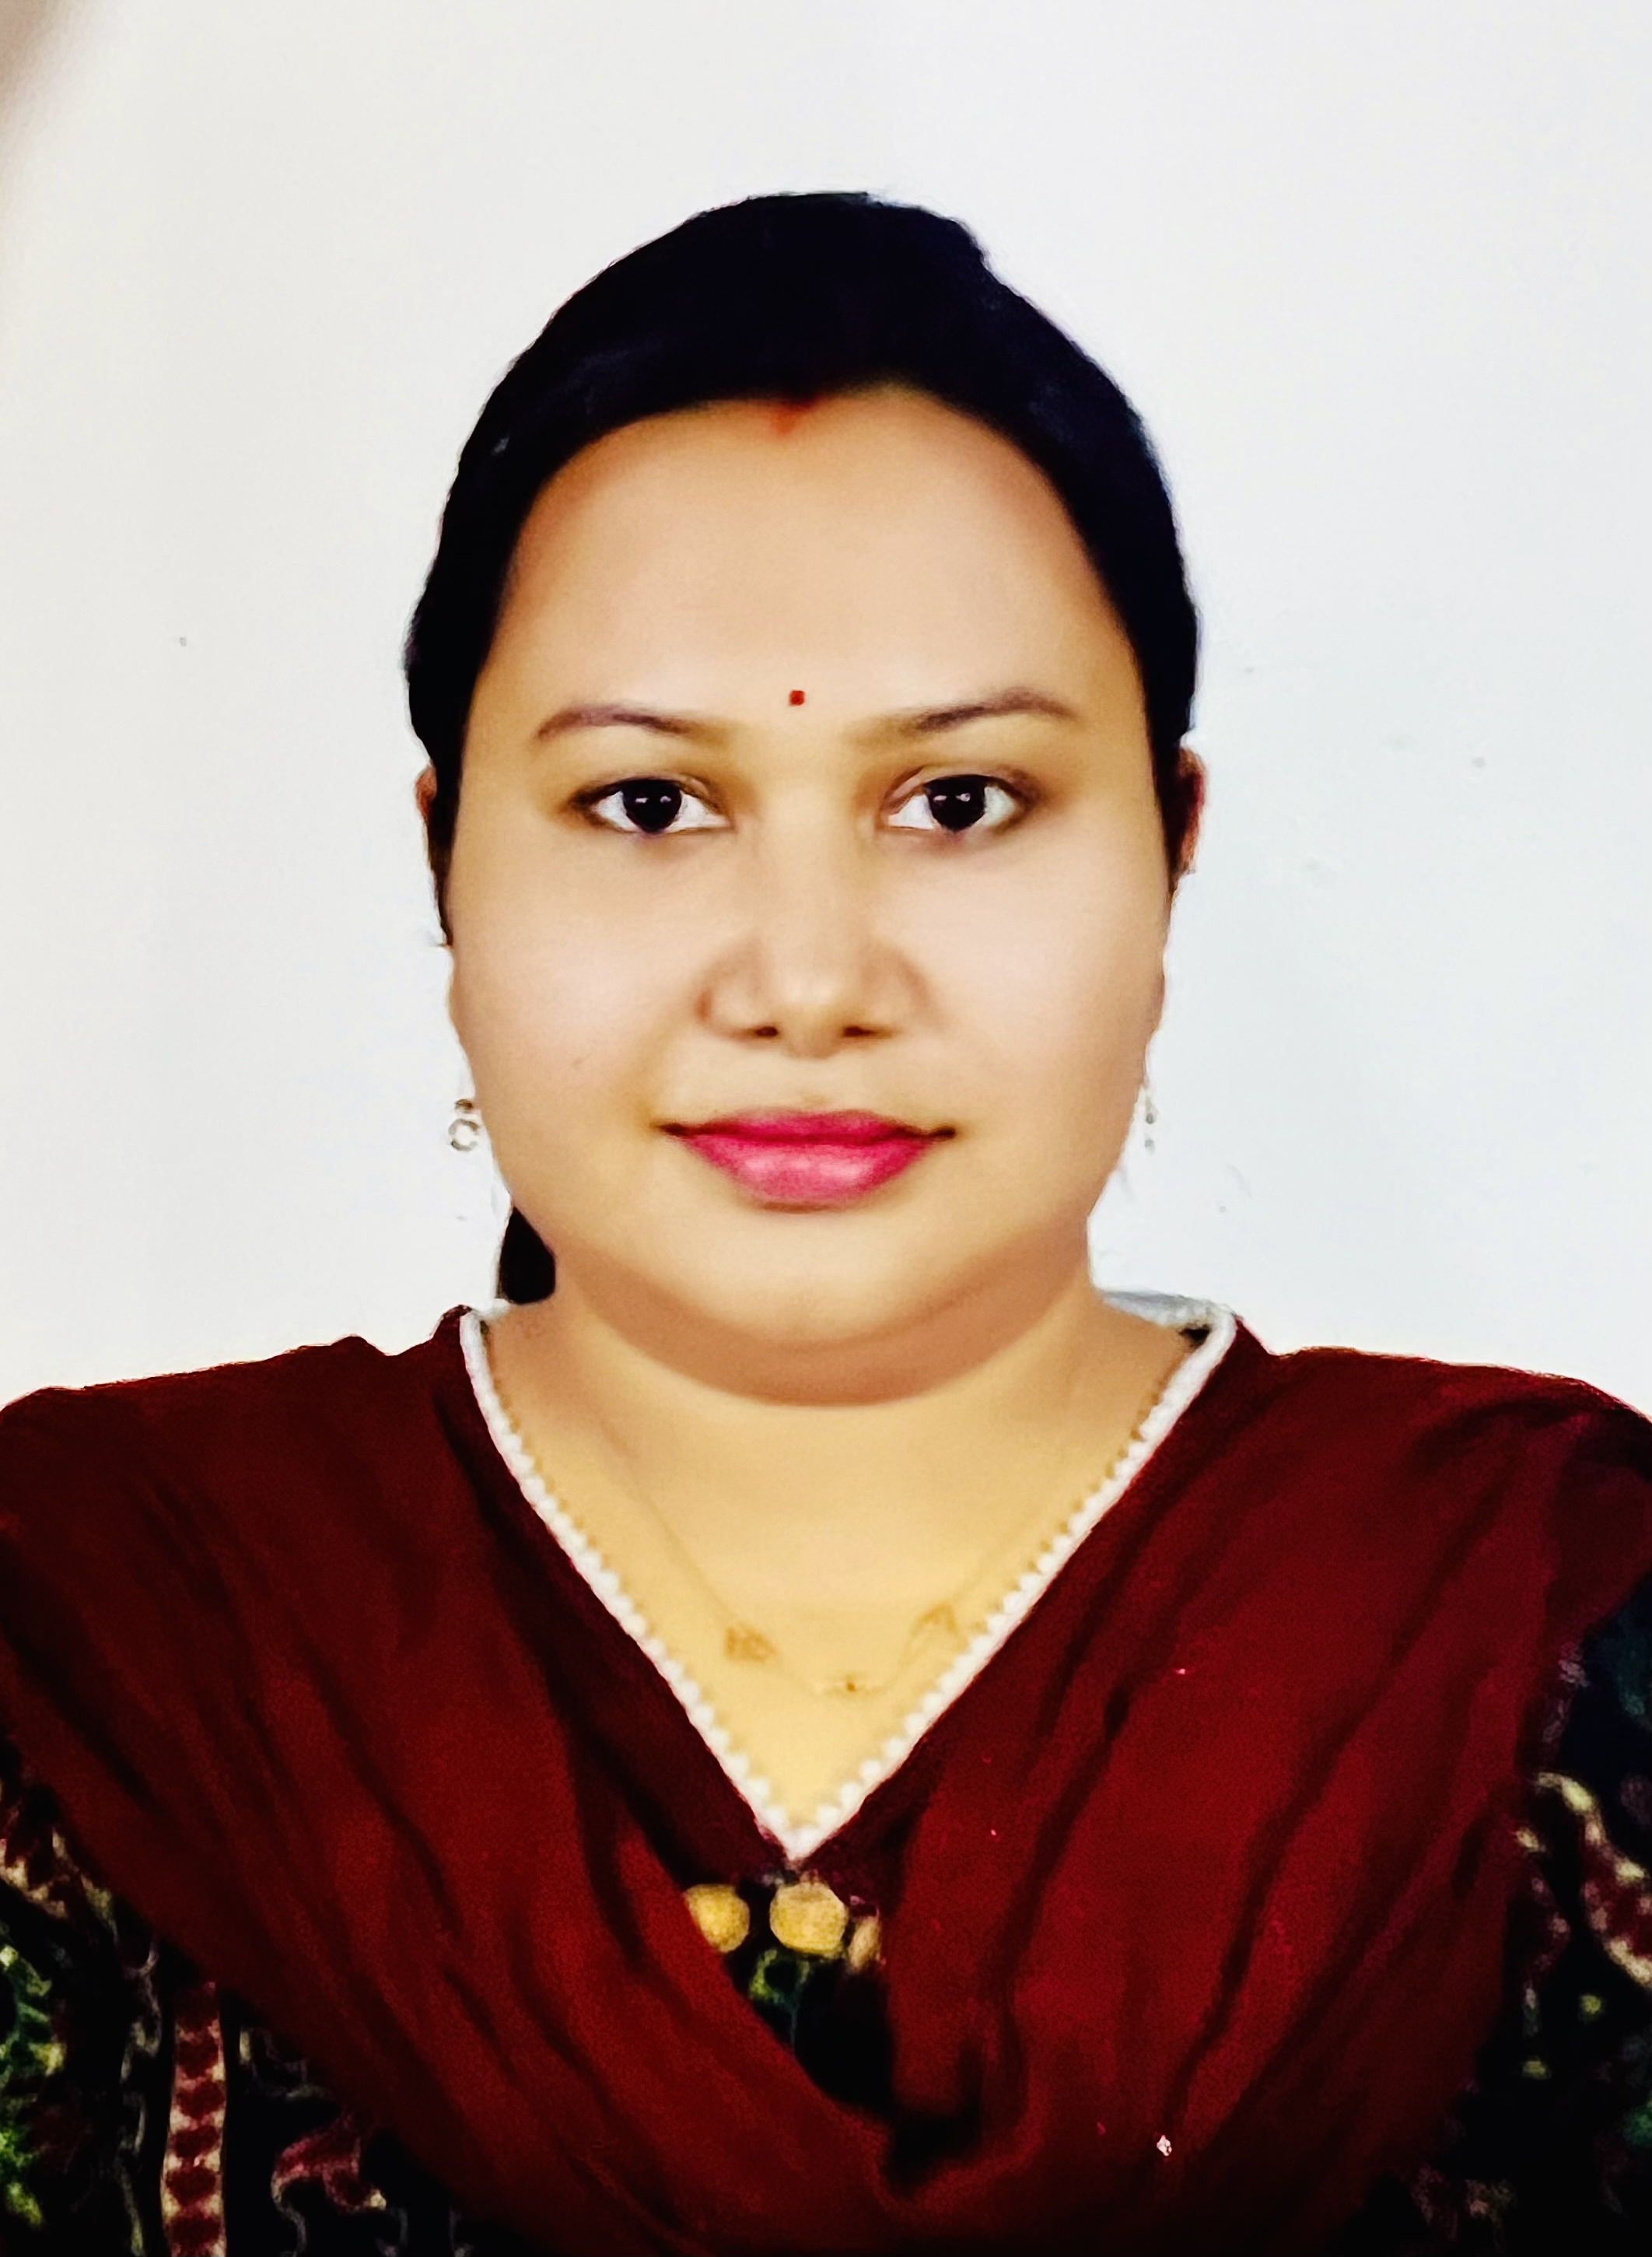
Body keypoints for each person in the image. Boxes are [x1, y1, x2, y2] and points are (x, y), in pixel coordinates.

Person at [0, 191, 1649, 2257]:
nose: (803, 981)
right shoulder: (96, 1643)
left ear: (1172, 848)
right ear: (446, 865)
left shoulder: (1540, 1635)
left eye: (957, 802)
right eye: (647, 806)